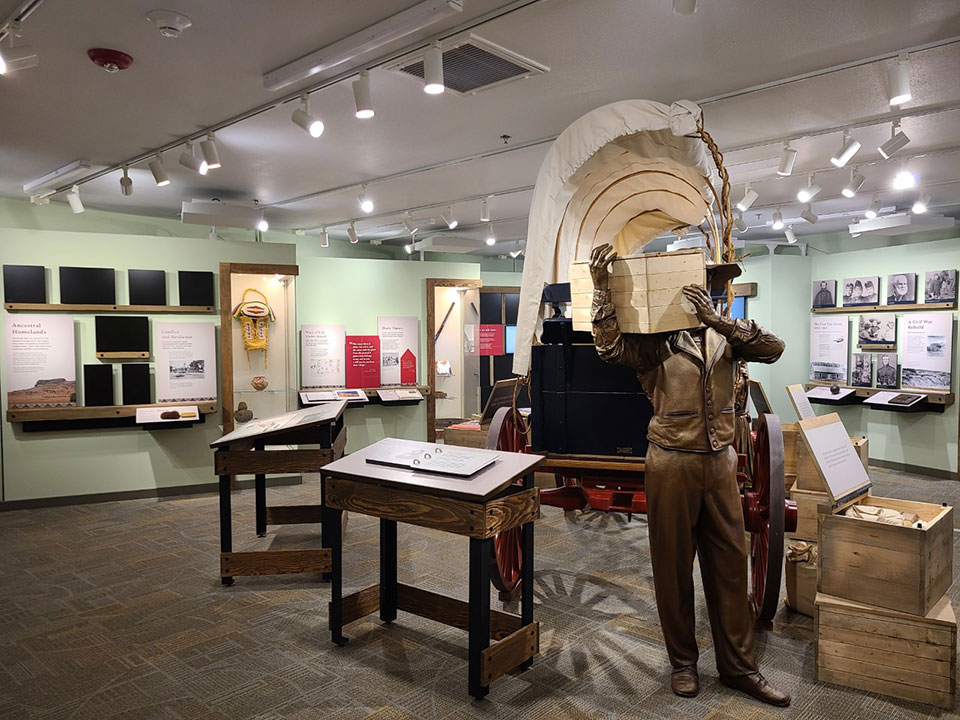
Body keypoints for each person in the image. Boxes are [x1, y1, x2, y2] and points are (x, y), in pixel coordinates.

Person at [588, 243, 790, 707]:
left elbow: (774, 348)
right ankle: (682, 663)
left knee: (730, 568)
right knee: (672, 566)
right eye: (700, 280)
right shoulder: (655, 340)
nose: (709, 289)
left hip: (721, 462)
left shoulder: (728, 336)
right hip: (671, 460)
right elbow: (609, 347)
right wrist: (603, 290)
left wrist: (720, 322)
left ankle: (740, 668)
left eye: (715, 283)